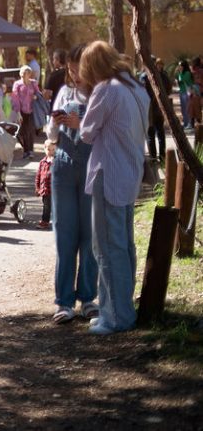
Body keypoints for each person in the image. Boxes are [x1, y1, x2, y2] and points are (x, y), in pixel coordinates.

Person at [79, 41, 149, 335]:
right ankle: (117, 308)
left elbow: (86, 132)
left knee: (107, 247)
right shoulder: (135, 88)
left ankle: (116, 317)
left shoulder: (105, 89)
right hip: (129, 173)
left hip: (108, 174)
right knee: (124, 245)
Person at [46, 43, 98, 325]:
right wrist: (55, 124)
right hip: (64, 166)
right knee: (64, 235)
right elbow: (52, 134)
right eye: (71, 69)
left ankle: (88, 297)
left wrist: (82, 123)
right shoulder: (65, 92)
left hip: (92, 166)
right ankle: (64, 301)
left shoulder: (100, 93)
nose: (75, 74)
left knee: (89, 236)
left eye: (79, 69)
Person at [140, 58, 171, 162]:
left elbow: (142, 92)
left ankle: (153, 157)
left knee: (151, 134)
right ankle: (162, 156)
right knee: (160, 133)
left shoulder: (144, 76)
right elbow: (169, 89)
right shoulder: (163, 75)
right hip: (160, 107)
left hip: (149, 109)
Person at [11, 65, 42, 159]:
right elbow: (15, 98)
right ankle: (25, 150)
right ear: (22, 74)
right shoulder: (17, 84)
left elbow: (38, 94)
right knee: (23, 131)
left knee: (31, 130)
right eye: (25, 73)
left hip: (32, 110)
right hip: (21, 111)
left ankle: (31, 151)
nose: (27, 74)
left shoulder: (33, 83)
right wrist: (17, 111)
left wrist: (36, 97)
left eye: (28, 72)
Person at [35, 139, 55, 229]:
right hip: (45, 189)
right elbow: (38, 176)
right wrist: (37, 188)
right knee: (46, 206)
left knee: (56, 207)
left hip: (54, 189)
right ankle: (45, 221)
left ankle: (58, 222)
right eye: (49, 149)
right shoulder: (42, 162)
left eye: (53, 150)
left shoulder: (57, 161)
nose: (51, 152)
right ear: (44, 149)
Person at [176, 59, 196, 128]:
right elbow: (178, 81)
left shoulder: (187, 73)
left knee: (187, 108)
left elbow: (183, 80)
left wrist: (179, 74)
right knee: (183, 108)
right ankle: (185, 123)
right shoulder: (180, 73)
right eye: (178, 65)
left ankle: (189, 123)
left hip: (187, 92)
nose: (179, 66)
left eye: (180, 65)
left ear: (184, 66)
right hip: (182, 92)